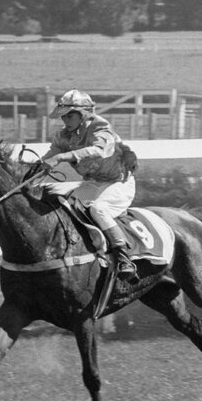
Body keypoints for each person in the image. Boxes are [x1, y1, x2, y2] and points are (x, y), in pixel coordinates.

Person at [35, 89, 138, 279]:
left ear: (83, 114)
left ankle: (124, 259)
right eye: (63, 116)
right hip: (93, 183)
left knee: (99, 209)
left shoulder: (101, 128)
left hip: (118, 183)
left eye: (69, 115)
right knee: (63, 207)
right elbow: (48, 159)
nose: (65, 120)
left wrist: (63, 157)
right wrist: (30, 173)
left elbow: (100, 150)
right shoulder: (63, 136)